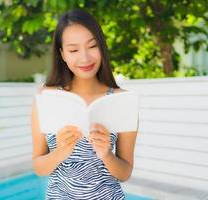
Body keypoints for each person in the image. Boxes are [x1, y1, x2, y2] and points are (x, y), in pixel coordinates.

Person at [31, 8, 138, 200]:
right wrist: (61, 152)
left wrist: (107, 154)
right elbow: (39, 167)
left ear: (102, 47)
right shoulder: (46, 96)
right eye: (73, 50)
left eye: (92, 46)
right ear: (62, 54)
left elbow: (125, 172)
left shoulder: (121, 100)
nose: (85, 58)